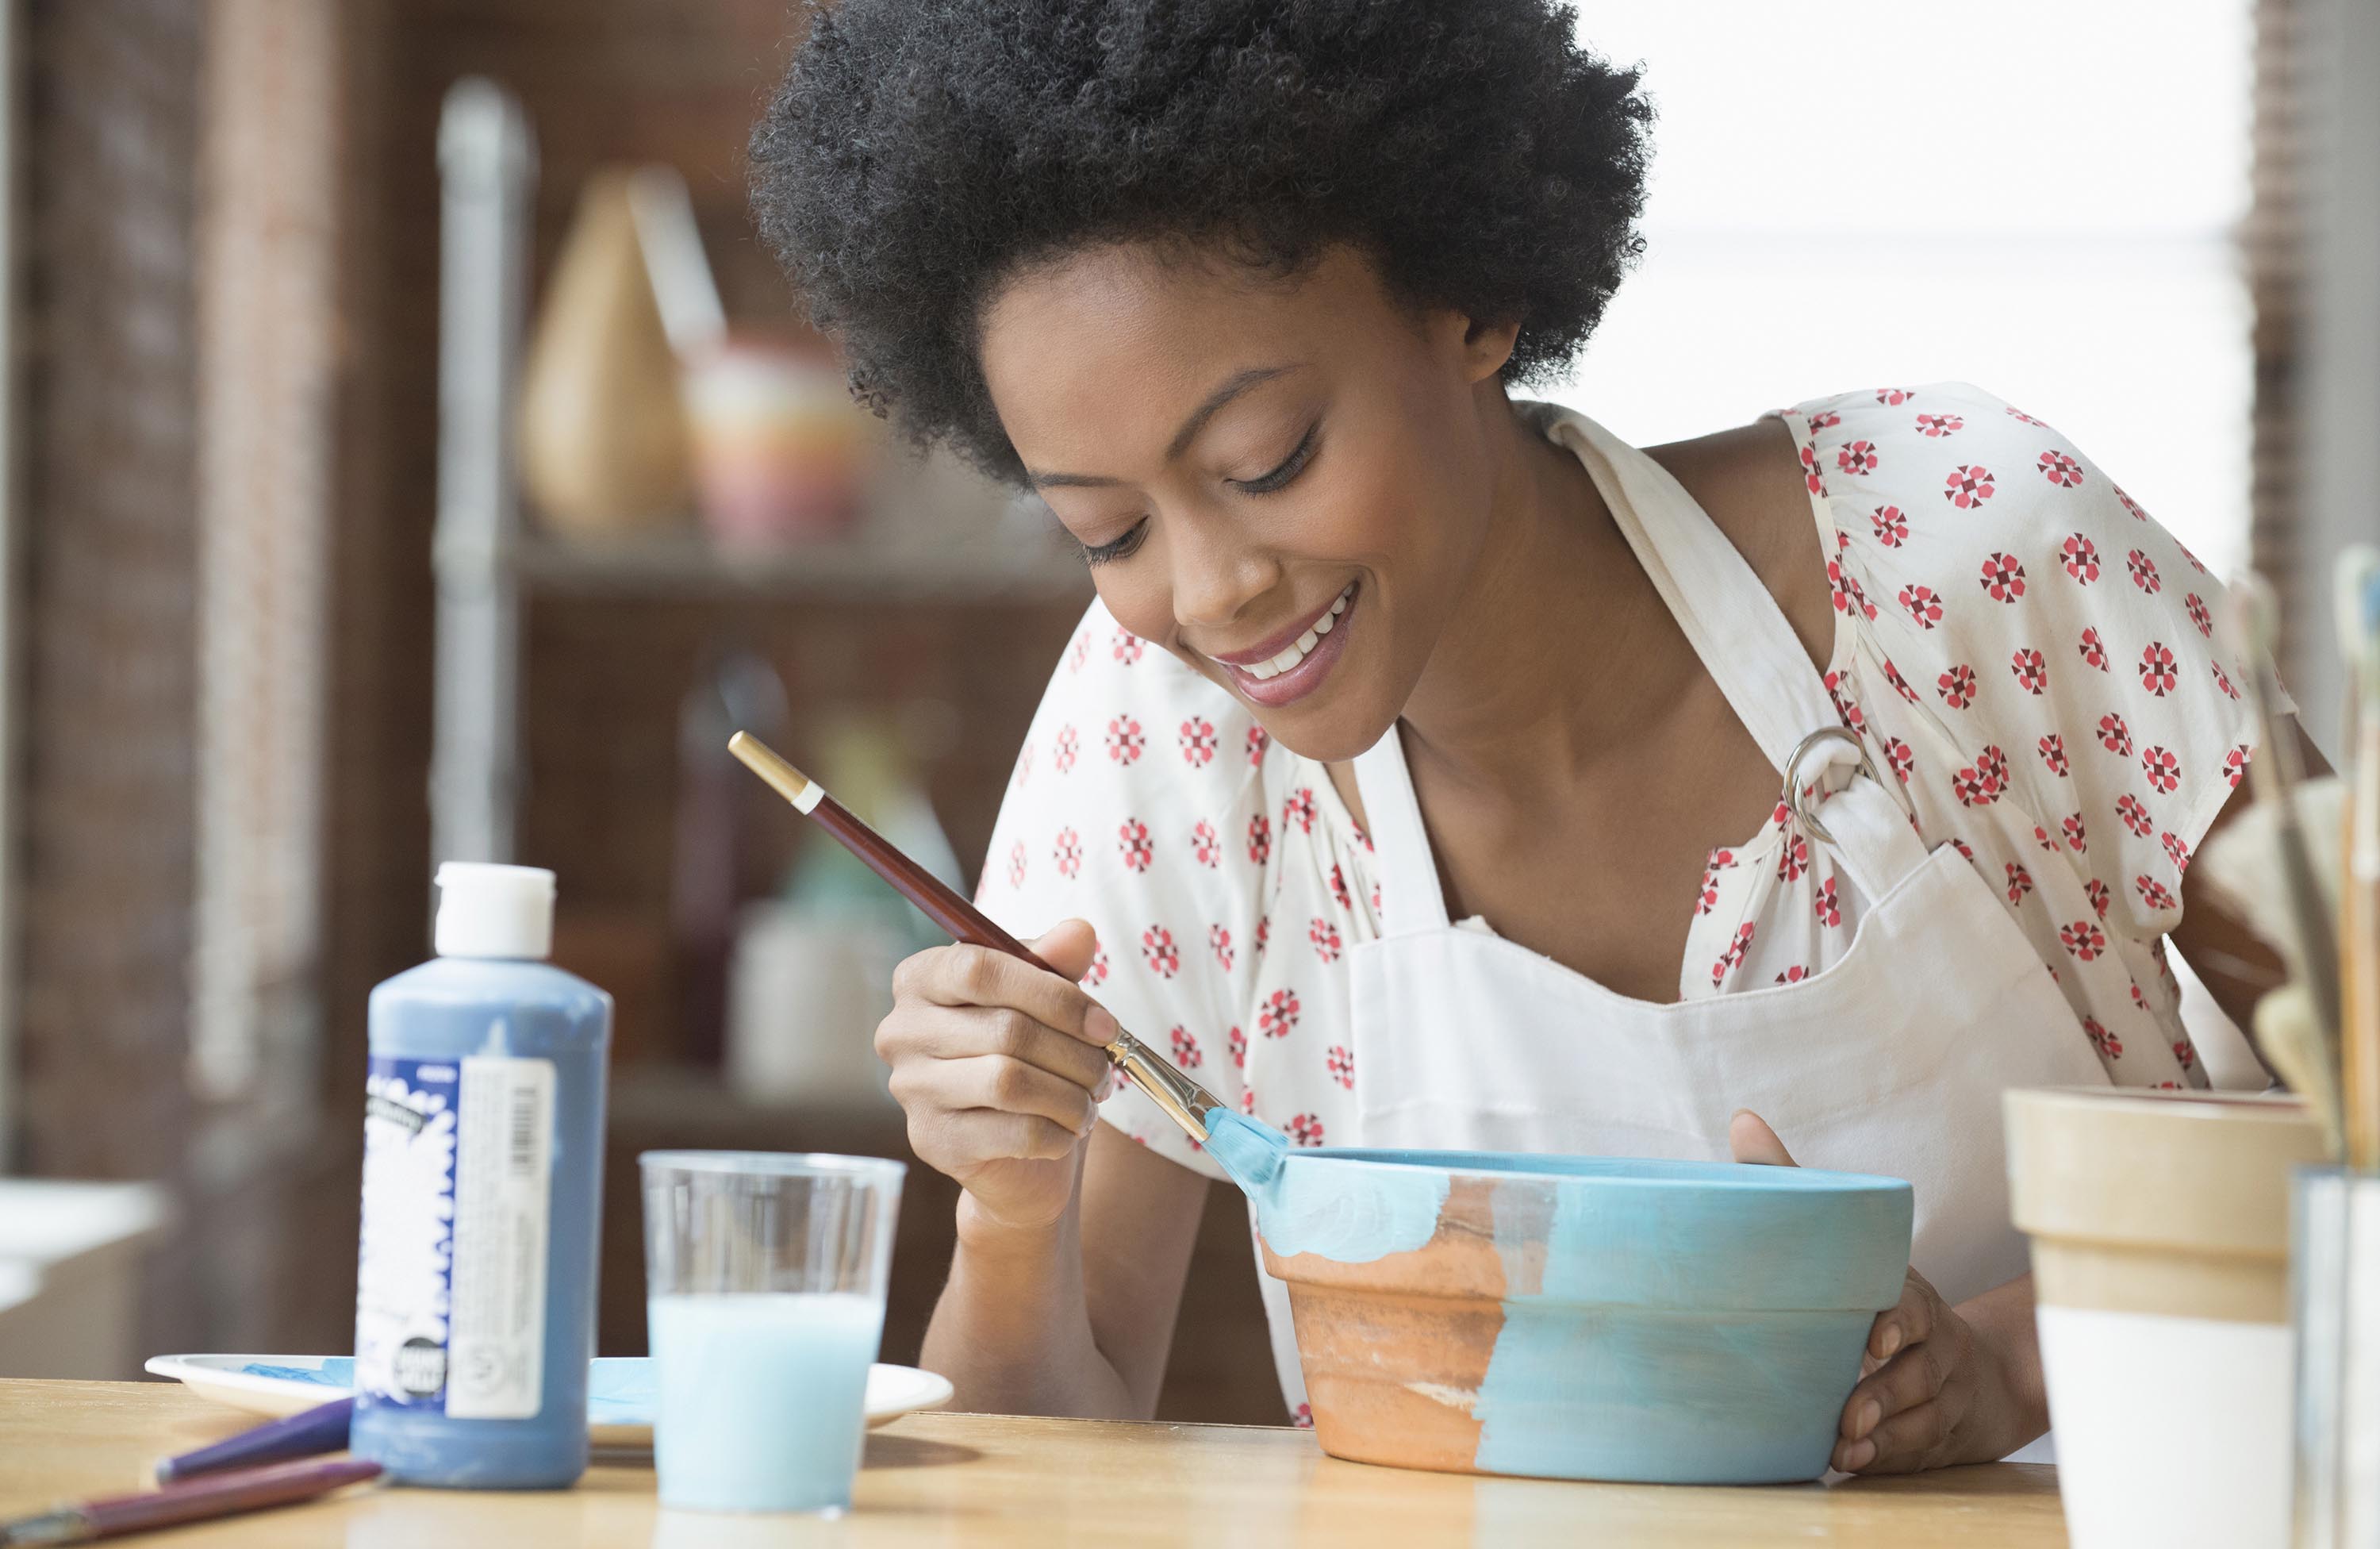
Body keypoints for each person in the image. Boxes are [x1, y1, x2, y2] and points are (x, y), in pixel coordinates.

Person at [747, 0, 2292, 1473]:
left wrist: (2012, 1367)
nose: (1212, 590)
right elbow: (1038, 1483)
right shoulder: (1167, 755)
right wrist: (1013, 1208)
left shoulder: (1957, 558)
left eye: (1268, 457)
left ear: (1469, 301)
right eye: (1107, 528)